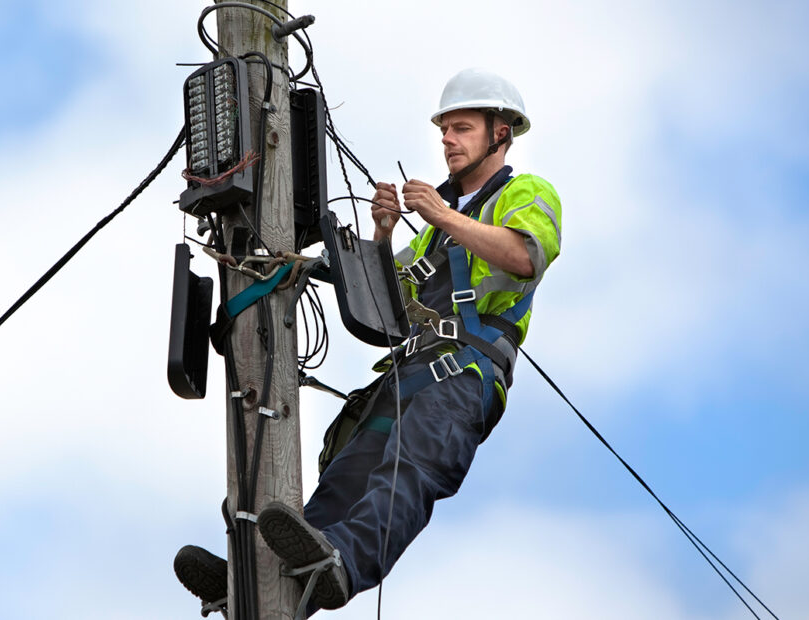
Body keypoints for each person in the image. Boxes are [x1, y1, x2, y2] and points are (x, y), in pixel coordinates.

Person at [175, 67, 562, 615]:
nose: (448, 139)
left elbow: (525, 256)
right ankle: (253, 582)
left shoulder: (525, 193)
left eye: (463, 128)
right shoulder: (433, 228)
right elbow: (387, 307)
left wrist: (443, 214)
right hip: (408, 375)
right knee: (342, 481)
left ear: (501, 134)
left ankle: (344, 567)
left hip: (464, 378)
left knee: (404, 476)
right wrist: (382, 235)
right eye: (445, 129)